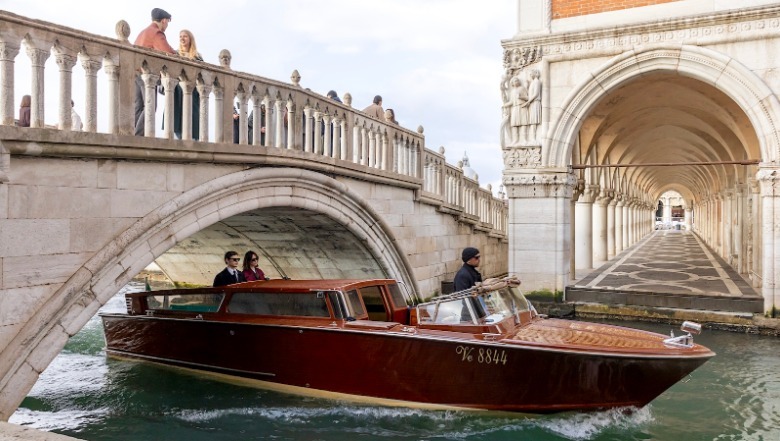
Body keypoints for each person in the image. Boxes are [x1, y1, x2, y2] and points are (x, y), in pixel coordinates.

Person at [134, 8, 175, 136]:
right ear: (163, 20)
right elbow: (167, 51)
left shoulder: (142, 33)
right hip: (146, 75)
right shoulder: (156, 33)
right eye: (167, 22)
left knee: (138, 107)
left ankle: (134, 135)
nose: (167, 25)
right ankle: (138, 137)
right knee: (151, 106)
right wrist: (178, 54)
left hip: (135, 73)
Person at [171, 29, 202, 140]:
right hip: (177, 91)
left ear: (190, 39)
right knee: (177, 121)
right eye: (180, 36)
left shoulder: (197, 57)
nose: (182, 38)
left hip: (192, 92)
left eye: (185, 36)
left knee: (193, 121)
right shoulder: (174, 53)